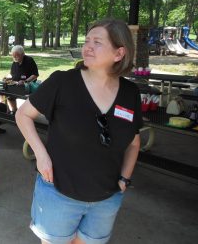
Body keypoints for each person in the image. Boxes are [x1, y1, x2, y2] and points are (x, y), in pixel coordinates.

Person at [16, 18, 143, 244]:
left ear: (119, 53)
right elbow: (22, 114)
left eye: (97, 42)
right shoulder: (62, 82)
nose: (88, 46)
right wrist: (42, 156)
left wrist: (125, 178)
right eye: (87, 40)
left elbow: (134, 142)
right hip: (59, 193)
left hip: (106, 199)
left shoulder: (130, 93)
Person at [3, 45, 39, 113]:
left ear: (23, 54)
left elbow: (35, 75)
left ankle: (20, 113)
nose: (14, 57)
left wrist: (25, 81)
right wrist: (7, 78)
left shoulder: (29, 60)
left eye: (16, 56)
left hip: (28, 85)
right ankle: (13, 111)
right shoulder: (14, 62)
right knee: (5, 90)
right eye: (13, 56)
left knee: (9, 92)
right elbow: (12, 75)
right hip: (16, 85)